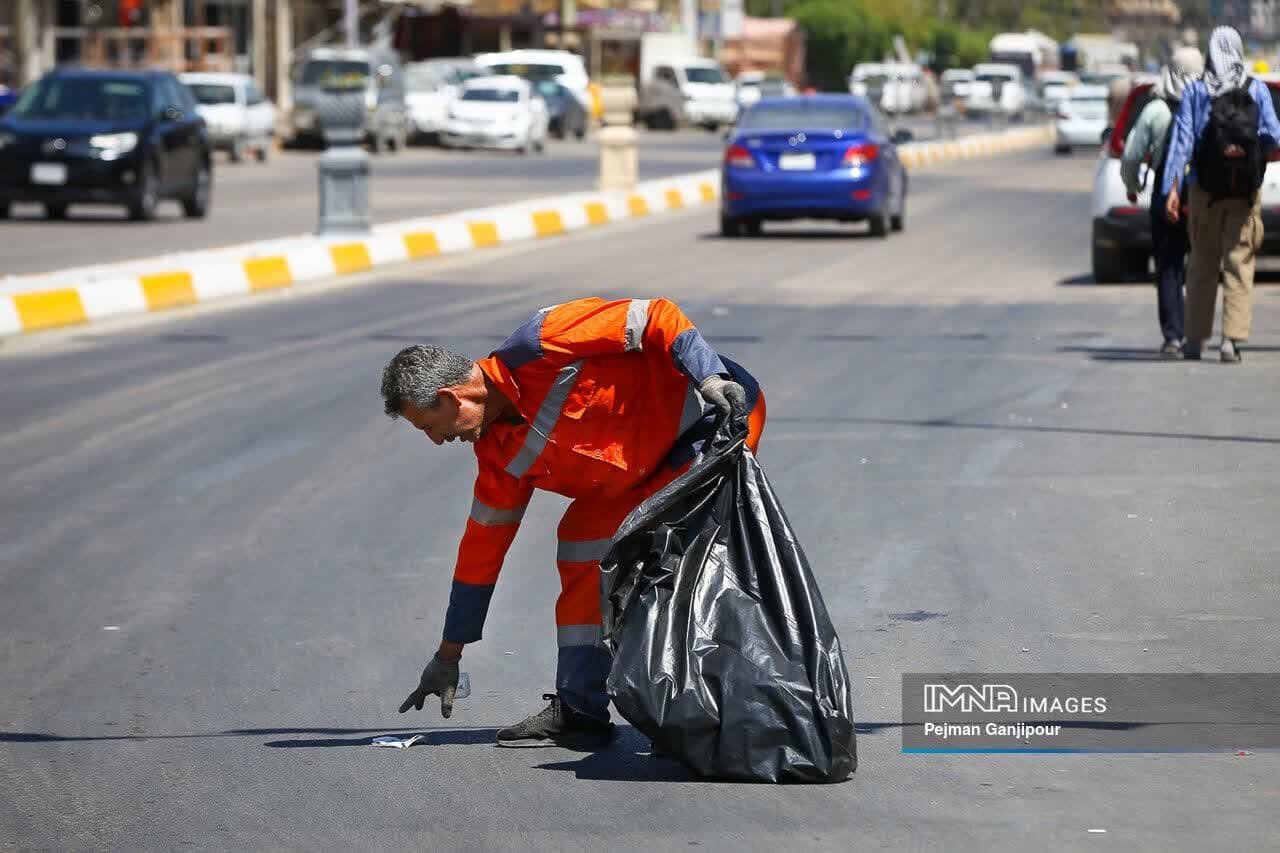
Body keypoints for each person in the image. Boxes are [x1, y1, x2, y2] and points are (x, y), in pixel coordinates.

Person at [381, 297, 766, 748]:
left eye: (430, 425)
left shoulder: (541, 343)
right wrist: (449, 655)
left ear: (451, 397)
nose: (437, 440)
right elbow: (479, 557)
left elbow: (654, 316)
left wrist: (709, 375)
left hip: (709, 423)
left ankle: (702, 709)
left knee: (675, 559)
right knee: (581, 545)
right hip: (635, 474)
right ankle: (581, 708)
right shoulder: (498, 457)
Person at [1163, 27, 1280, 362]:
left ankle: (1195, 340)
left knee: (1201, 263)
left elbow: (1182, 142)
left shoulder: (1197, 90)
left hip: (1204, 191)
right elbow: (1273, 134)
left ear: (1210, 53)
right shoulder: (1256, 89)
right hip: (1244, 194)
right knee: (1239, 263)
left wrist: (1171, 189)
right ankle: (1231, 340)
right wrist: (1250, 157)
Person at [1120, 47, 1204, 356]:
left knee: (1169, 267)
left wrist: (1133, 186)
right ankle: (1197, 334)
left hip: (1164, 193)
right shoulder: (1208, 105)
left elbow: (1130, 156)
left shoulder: (1155, 111)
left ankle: (1173, 337)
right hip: (1202, 195)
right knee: (1201, 267)